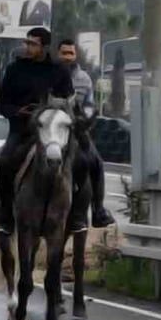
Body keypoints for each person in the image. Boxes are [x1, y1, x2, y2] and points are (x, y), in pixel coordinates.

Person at [0, 27, 73, 235]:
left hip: (53, 133)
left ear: (45, 47)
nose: (27, 47)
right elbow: (0, 104)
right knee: (5, 162)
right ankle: (6, 218)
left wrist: (52, 115)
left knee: (85, 161)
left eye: (32, 44)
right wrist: (18, 112)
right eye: (26, 43)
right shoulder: (14, 69)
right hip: (22, 131)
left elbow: (68, 104)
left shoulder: (59, 71)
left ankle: (82, 213)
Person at [57, 39, 114, 229]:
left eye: (70, 53)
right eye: (64, 53)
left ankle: (98, 210)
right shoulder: (47, 75)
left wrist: (86, 118)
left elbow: (89, 104)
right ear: (58, 54)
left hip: (76, 128)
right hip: (51, 128)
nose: (67, 57)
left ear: (75, 55)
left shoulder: (84, 79)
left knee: (96, 161)